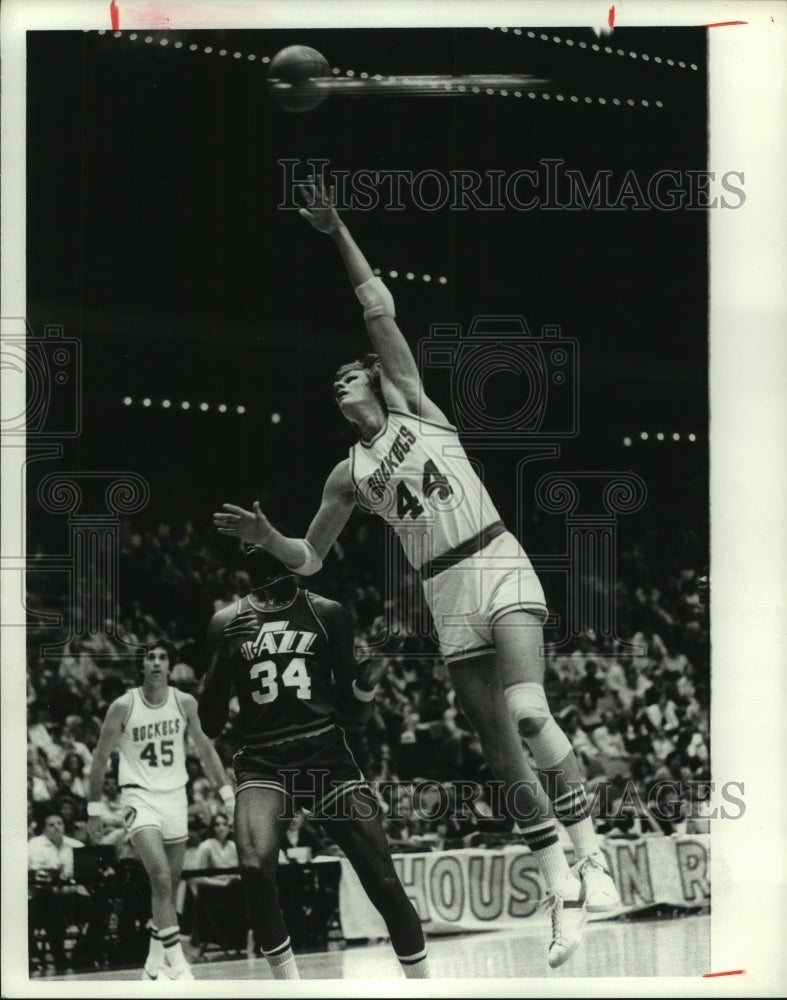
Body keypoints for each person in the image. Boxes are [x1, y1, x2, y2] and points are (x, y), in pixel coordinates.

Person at [214, 184, 621, 968]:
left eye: (347, 374)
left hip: (494, 556)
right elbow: (313, 558)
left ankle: (591, 851)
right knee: (498, 750)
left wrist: (337, 231)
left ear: (375, 381)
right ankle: (558, 889)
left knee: (530, 712)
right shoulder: (347, 475)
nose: (339, 381)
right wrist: (269, 537)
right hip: (443, 590)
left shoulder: (412, 405)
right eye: (334, 381)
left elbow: (376, 307)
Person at [198, 545, 430, 980]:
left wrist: (373, 672)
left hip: (325, 752)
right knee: (252, 867)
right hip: (264, 759)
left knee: (382, 879)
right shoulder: (224, 622)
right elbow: (210, 724)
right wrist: (220, 660)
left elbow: (354, 716)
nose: (254, 545)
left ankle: (422, 986)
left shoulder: (328, 612)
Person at [86, 639, 235, 981]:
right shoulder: (124, 706)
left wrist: (227, 794)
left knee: (168, 886)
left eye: (162, 658)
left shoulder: (184, 703)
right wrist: (93, 808)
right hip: (139, 798)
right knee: (161, 876)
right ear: (141, 666)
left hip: (175, 797)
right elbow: (99, 758)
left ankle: (153, 962)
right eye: (150, 658)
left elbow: (206, 750)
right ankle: (179, 964)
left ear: (170, 666)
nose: (155, 663)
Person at [27, 813, 91, 973]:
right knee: (49, 904)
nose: (56, 827)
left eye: (59, 823)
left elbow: (87, 874)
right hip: (42, 898)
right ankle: (59, 957)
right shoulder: (33, 845)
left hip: (71, 894)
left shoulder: (75, 845)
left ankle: (84, 956)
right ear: (44, 828)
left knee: (98, 906)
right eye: (51, 824)